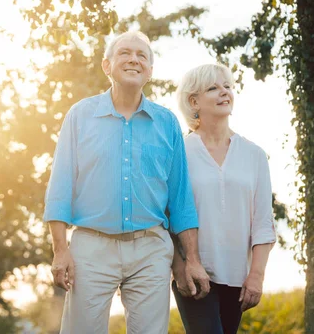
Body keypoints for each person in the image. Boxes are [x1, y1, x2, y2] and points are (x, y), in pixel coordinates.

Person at [43, 31, 210, 334]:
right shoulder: (80, 116)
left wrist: (191, 260)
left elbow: (181, 199)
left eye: (142, 55)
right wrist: (59, 249)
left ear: (149, 71)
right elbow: (60, 187)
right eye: (125, 53)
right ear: (107, 66)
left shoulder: (167, 122)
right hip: (91, 248)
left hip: (150, 249)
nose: (134, 59)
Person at [172, 63, 276, 334]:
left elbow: (264, 223)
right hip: (194, 275)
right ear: (193, 101)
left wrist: (256, 275)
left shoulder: (255, 155)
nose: (224, 92)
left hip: (238, 279)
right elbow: (166, 216)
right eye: (213, 88)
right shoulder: (178, 153)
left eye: (227, 86)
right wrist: (180, 266)